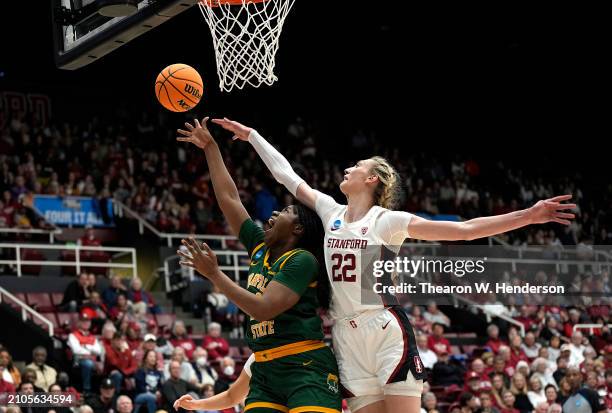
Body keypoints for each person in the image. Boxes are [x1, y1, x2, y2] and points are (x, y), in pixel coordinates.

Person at [212, 116, 576, 413]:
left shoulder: (387, 220)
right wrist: (253, 136)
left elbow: (464, 231)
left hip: (384, 328)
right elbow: (287, 176)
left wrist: (529, 216)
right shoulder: (330, 212)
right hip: (344, 334)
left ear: (371, 179)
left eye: (356, 166)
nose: (348, 168)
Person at [176, 118, 342, 413]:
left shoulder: (302, 260)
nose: (275, 212)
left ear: (298, 230)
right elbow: (229, 199)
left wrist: (214, 274)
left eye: (287, 211)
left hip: (305, 366)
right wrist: (211, 147)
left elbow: (263, 308)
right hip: (265, 368)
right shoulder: (259, 247)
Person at [174, 354, 253, 412]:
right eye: (225, 365)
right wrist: (194, 405)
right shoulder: (255, 359)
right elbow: (231, 397)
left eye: (230, 364)